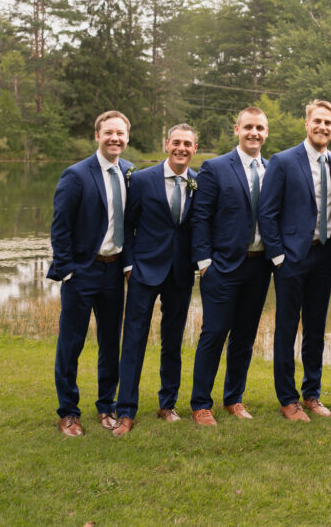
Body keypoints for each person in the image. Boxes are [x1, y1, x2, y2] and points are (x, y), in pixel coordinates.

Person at [185, 107, 274, 426]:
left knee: (245, 337)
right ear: (237, 129)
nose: (254, 133)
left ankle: (233, 399)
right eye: (248, 127)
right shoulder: (216, 167)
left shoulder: (273, 168)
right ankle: (200, 404)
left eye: (260, 128)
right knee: (214, 333)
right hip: (222, 267)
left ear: (266, 132)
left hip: (259, 266)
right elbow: (200, 217)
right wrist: (205, 262)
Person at [48, 110, 134, 436]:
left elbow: (131, 225)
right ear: (97, 135)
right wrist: (67, 271)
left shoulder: (129, 172)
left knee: (111, 344)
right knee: (71, 344)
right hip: (81, 273)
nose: (115, 138)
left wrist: (128, 264)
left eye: (120, 134)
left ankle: (106, 406)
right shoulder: (76, 175)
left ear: (127, 139)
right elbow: (60, 228)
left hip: (114, 274)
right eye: (108, 132)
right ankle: (68, 413)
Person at [259, 99, 331, 421]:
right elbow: (267, 213)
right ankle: (287, 399)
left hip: (323, 255)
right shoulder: (282, 161)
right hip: (291, 258)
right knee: (286, 328)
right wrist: (278, 256)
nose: (322, 127)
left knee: (317, 328)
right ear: (306, 123)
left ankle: (312, 394)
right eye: (317, 121)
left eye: (328, 123)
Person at [113, 124, 199, 436]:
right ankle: (125, 411)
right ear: (166, 144)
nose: (181, 148)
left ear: (194, 148)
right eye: (176, 142)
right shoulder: (142, 179)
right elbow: (127, 224)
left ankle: (167, 404)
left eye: (187, 144)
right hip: (144, 272)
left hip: (180, 273)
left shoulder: (197, 182)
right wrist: (128, 265)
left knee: (173, 342)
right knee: (133, 341)